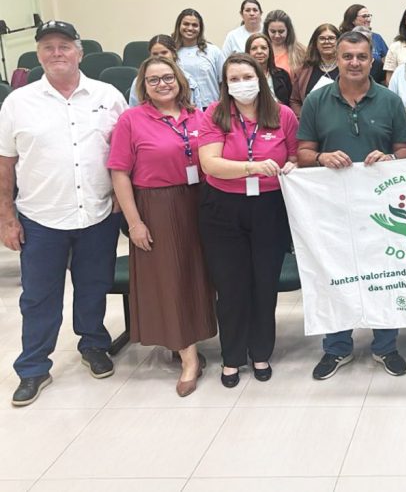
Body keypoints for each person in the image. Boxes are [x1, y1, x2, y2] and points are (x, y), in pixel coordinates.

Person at [0, 20, 128, 407]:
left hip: (97, 214)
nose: (56, 53)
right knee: (39, 297)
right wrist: (6, 216)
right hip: (41, 218)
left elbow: (123, 156)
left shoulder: (108, 96)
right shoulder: (18, 102)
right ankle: (34, 367)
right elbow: (6, 163)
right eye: (48, 47)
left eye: (64, 46)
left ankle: (93, 345)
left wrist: (122, 206)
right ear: (39, 54)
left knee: (93, 287)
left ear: (79, 51)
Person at [296, 31, 406, 379]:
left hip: (384, 210)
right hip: (332, 211)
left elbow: (405, 150)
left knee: (386, 275)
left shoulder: (389, 101)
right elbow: (302, 153)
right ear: (338, 59)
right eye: (347, 57)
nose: (355, 63)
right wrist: (321, 156)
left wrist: (391, 156)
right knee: (337, 276)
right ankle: (336, 348)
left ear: (372, 60)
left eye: (361, 57)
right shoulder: (318, 100)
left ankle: (386, 346)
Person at [108, 56, 217, 397]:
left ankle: (194, 338)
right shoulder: (131, 120)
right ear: (144, 86)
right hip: (158, 206)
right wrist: (134, 222)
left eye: (168, 77)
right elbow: (119, 173)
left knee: (198, 275)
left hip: (200, 202)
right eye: (153, 80)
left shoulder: (200, 116)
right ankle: (188, 358)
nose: (162, 84)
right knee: (170, 279)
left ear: (180, 80)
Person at [197, 53, 297, 388]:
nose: (242, 84)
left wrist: (292, 165)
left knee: (264, 283)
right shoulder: (215, 114)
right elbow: (210, 163)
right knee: (231, 285)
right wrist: (252, 167)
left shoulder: (282, 114)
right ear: (225, 84)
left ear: (261, 77)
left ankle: (260, 352)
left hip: (269, 208)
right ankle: (232, 356)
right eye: (234, 79)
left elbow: (295, 155)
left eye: (247, 76)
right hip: (223, 208)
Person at [172, 8, 226, 110]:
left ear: (200, 28)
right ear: (179, 26)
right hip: (183, 108)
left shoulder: (213, 51)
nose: (190, 28)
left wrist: (221, 105)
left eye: (195, 25)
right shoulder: (172, 52)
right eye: (186, 24)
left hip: (211, 108)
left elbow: (224, 82)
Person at [128, 34, 200, 107]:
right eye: (155, 54)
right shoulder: (139, 81)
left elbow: (196, 112)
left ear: (174, 53)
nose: (160, 56)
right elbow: (133, 110)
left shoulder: (188, 80)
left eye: (164, 52)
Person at [289, 23, 342, 118]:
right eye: (322, 38)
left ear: (339, 42)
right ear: (315, 43)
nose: (327, 42)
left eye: (331, 38)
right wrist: (305, 118)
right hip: (311, 125)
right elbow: (295, 100)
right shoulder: (302, 71)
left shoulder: (347, 69)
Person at [247, 33, 292, 104]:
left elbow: (291, 100)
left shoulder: (282, 74)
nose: (259, 51)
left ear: (269, 51)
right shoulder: (243, 77)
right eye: (254, 48)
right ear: (248, 52)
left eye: (263, 48)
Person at [263, 9, 306, 76]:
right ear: (266, 30)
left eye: (281, 31)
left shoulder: (301, 52)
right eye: (273, 31)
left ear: (288, 30)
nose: (277, 36)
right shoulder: (260, 50)